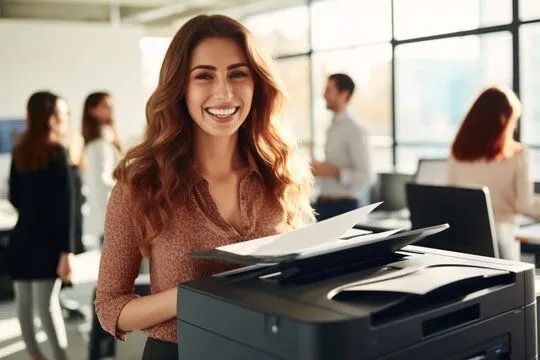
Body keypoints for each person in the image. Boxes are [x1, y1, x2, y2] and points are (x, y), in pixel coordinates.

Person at [94, 14, 313, 359]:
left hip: (271, 350)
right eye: (204, 76)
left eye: (238, 74)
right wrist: (198, 294)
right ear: (181, 86)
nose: (224, 92)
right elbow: (110, 307)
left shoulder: (282, 174)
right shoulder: (140, 185)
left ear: (257, 84)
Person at [8, 91, 74, 360]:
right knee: (47, 306)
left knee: (23, 305)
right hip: (50, 242)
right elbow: (66, 207)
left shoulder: (19, 151)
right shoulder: (57, 152)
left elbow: (14, 196)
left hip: (23, 237)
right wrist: (66, 252)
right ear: (49, 117)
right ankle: (60, 357)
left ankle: (35, 354)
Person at [448, 85, 540, 261]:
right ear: (504, 121)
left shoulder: (458, 152)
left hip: (464, 239)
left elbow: (453, 194)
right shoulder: (517, 154)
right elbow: (524, 205)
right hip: (502, 241)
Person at [312, 73, 373, 221]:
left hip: (344, 209)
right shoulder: (332, 126)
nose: (324, 95)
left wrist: (334, 172)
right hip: (322, 205)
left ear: (343, 94)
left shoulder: (355, 129)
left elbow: (366, 176)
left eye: (328, 90)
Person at [81, 92, 122, 246]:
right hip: (107, 222)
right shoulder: (99, 145)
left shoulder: (104, 142)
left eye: (112, 104)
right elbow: (103, 183)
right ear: (92, 111)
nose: (111, 109)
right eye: (106, 105)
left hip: (107, 222)